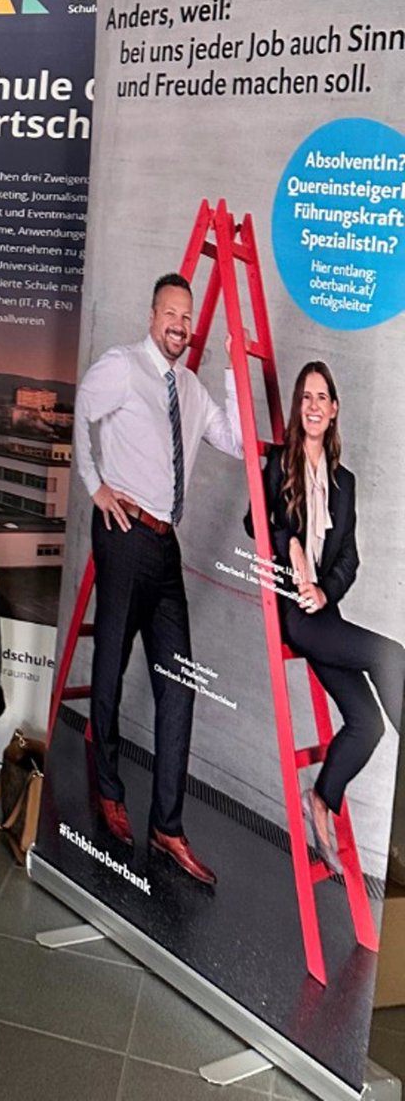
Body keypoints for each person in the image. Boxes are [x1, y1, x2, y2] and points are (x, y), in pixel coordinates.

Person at [73, 273, 242, 885]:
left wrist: (234, 366)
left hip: (166, 545)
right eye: (171, 313)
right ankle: (108, 789)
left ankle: (167, 827)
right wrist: (95, 486)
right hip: (122, 533)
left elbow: (237, 442)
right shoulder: (122, 367)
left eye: (186, 317)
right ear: (152, 316)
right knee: (111, 666)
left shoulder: (191, 390)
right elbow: (81, 412)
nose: (179, 324)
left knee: (180, 684)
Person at [252, 362, 403, 874]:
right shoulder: (280, 464)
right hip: (298, 616)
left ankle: (321, 797)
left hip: (325, 613)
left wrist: (325, 590)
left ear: (334, 409)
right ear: (299, 408)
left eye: (322, 398)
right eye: (306, 397)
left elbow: (350, 559)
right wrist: (290, 543)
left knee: (367, 724)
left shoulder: (345, 483)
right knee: (391, 654)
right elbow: (254, 519)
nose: (314, 406)